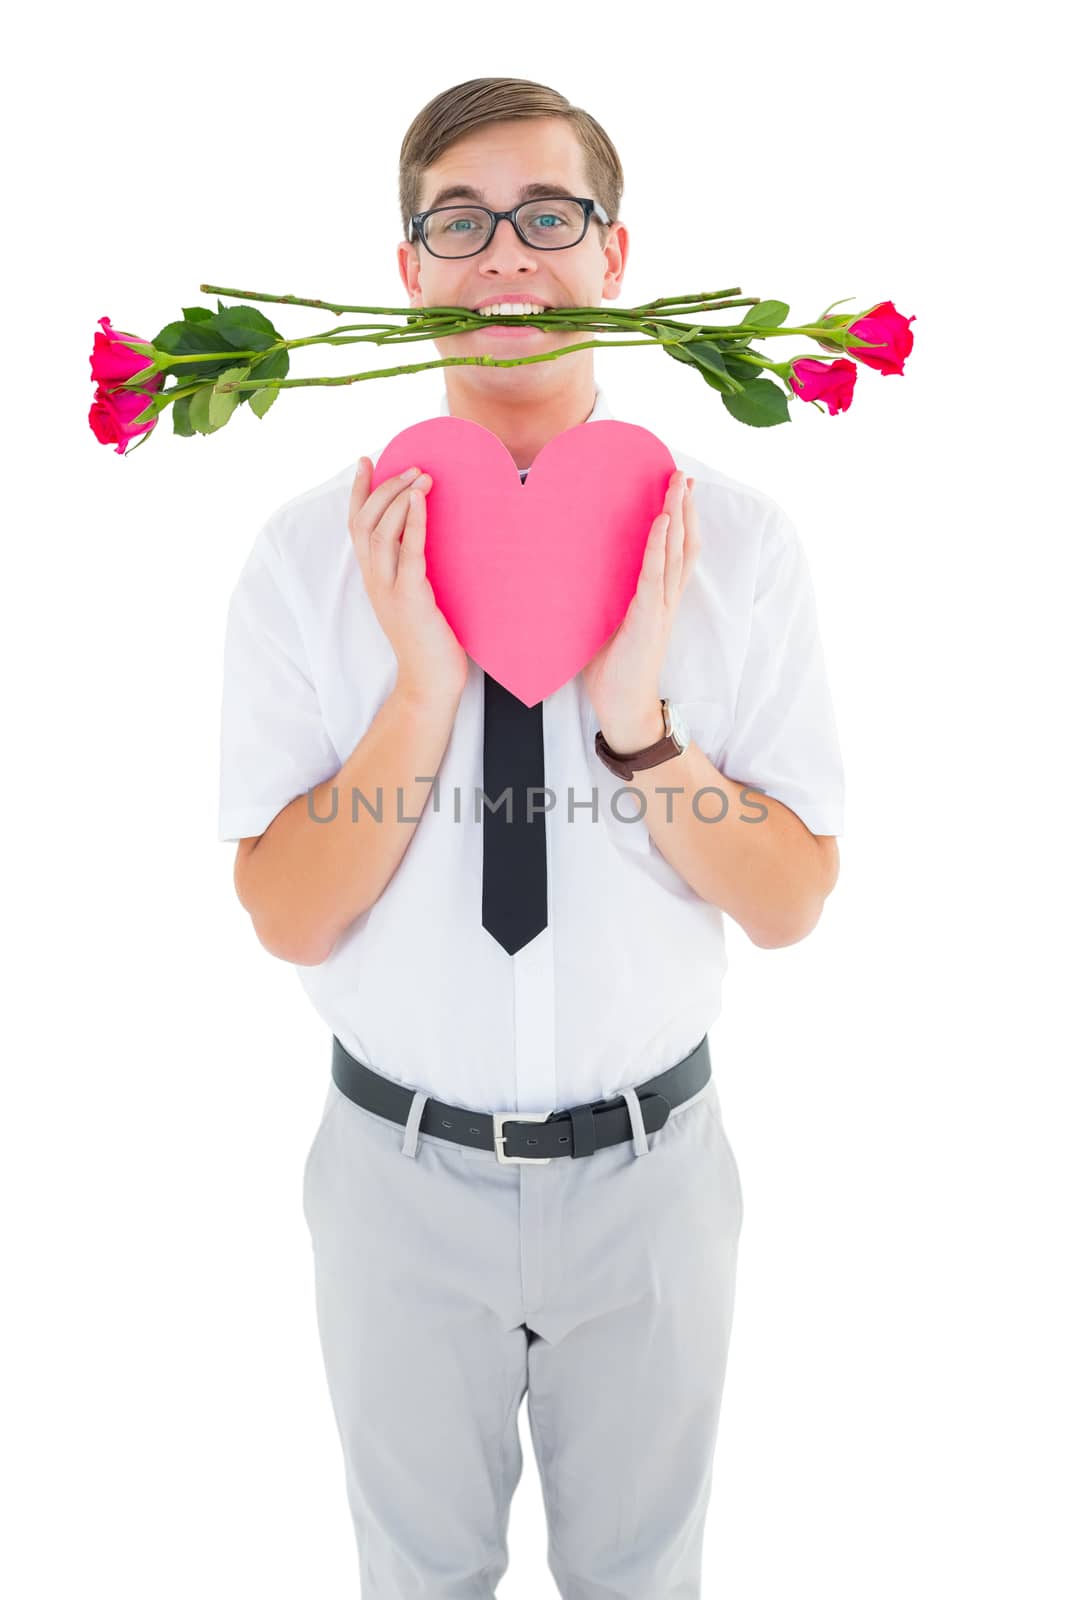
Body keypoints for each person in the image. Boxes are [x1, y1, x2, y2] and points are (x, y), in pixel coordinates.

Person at [217, 77, 844, 1599]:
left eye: (547, 217)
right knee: (414, 1579)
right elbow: (289, 916)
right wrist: (420, 690)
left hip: (652, 1178)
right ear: (407, 270)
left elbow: (791, 900)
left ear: (615, 259)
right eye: (460, 220)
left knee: (645, 1580)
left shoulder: (734, 544)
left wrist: (638, 721)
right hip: (394, 1177)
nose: (507, 255)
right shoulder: (311, 555)